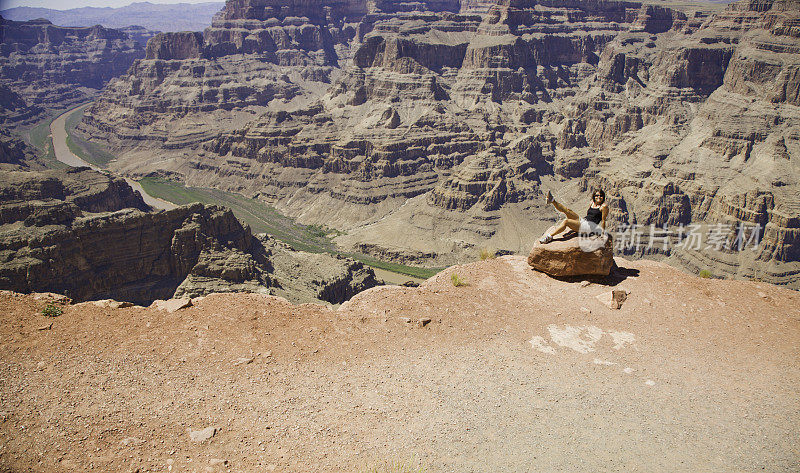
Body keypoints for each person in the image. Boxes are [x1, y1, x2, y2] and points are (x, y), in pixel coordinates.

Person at [538, 188, 608, 244]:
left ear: (603, 197)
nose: (599, 197)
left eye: (601, 195)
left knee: (566, 221)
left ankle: (549, 237)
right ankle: (552, 200)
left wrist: (602, 235)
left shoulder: (604, 207)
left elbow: (603, 220)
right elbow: (590, 215)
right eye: (597, 195)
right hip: (584, 221)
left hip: (589, 228)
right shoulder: (592, 203)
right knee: (568, 211)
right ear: (594, 196)